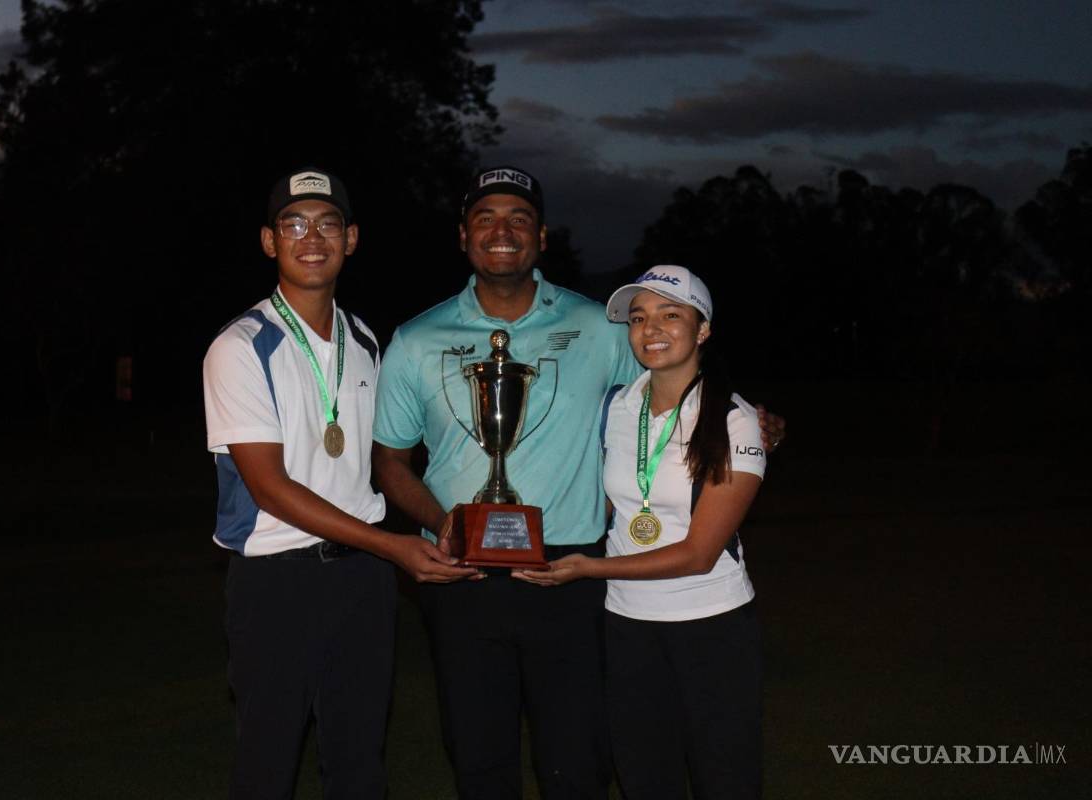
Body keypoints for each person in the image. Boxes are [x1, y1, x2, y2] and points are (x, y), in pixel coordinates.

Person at [372, 166, 785, 798]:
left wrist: (751, 418)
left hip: (573, 575)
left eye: (519, 218)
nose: (502, 231)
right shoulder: (414, 339)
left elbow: (674, 374)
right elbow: (389, 461)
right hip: (462, 575)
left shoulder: (602, 326)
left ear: (542, 236)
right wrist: (440, 520)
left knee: (578, 760)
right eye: (485, 218)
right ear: (463, 236)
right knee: (478, 757)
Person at [202, 168, 475, 800]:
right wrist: (395, 547)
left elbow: (386, 459)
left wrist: (437, 522)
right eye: (293, 224)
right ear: (270, 241)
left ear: (351, 239)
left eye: (327, 223)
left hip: (362, 583)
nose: (311, 237)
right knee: (267, 764)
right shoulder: (240, 347)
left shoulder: (366, 340)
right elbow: (269, 488)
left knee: (359, 763)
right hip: (275, 580)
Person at [516, 266, 767, 800]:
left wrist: (588, 568)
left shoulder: (735, 420)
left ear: (702, 329)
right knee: (645, 776)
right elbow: (611, 505)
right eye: (638, 317)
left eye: (670, 314)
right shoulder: (616, 407)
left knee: (724, 778)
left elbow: (700, 553)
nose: (650, 328)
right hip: (628, 625)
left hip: (712, 625)